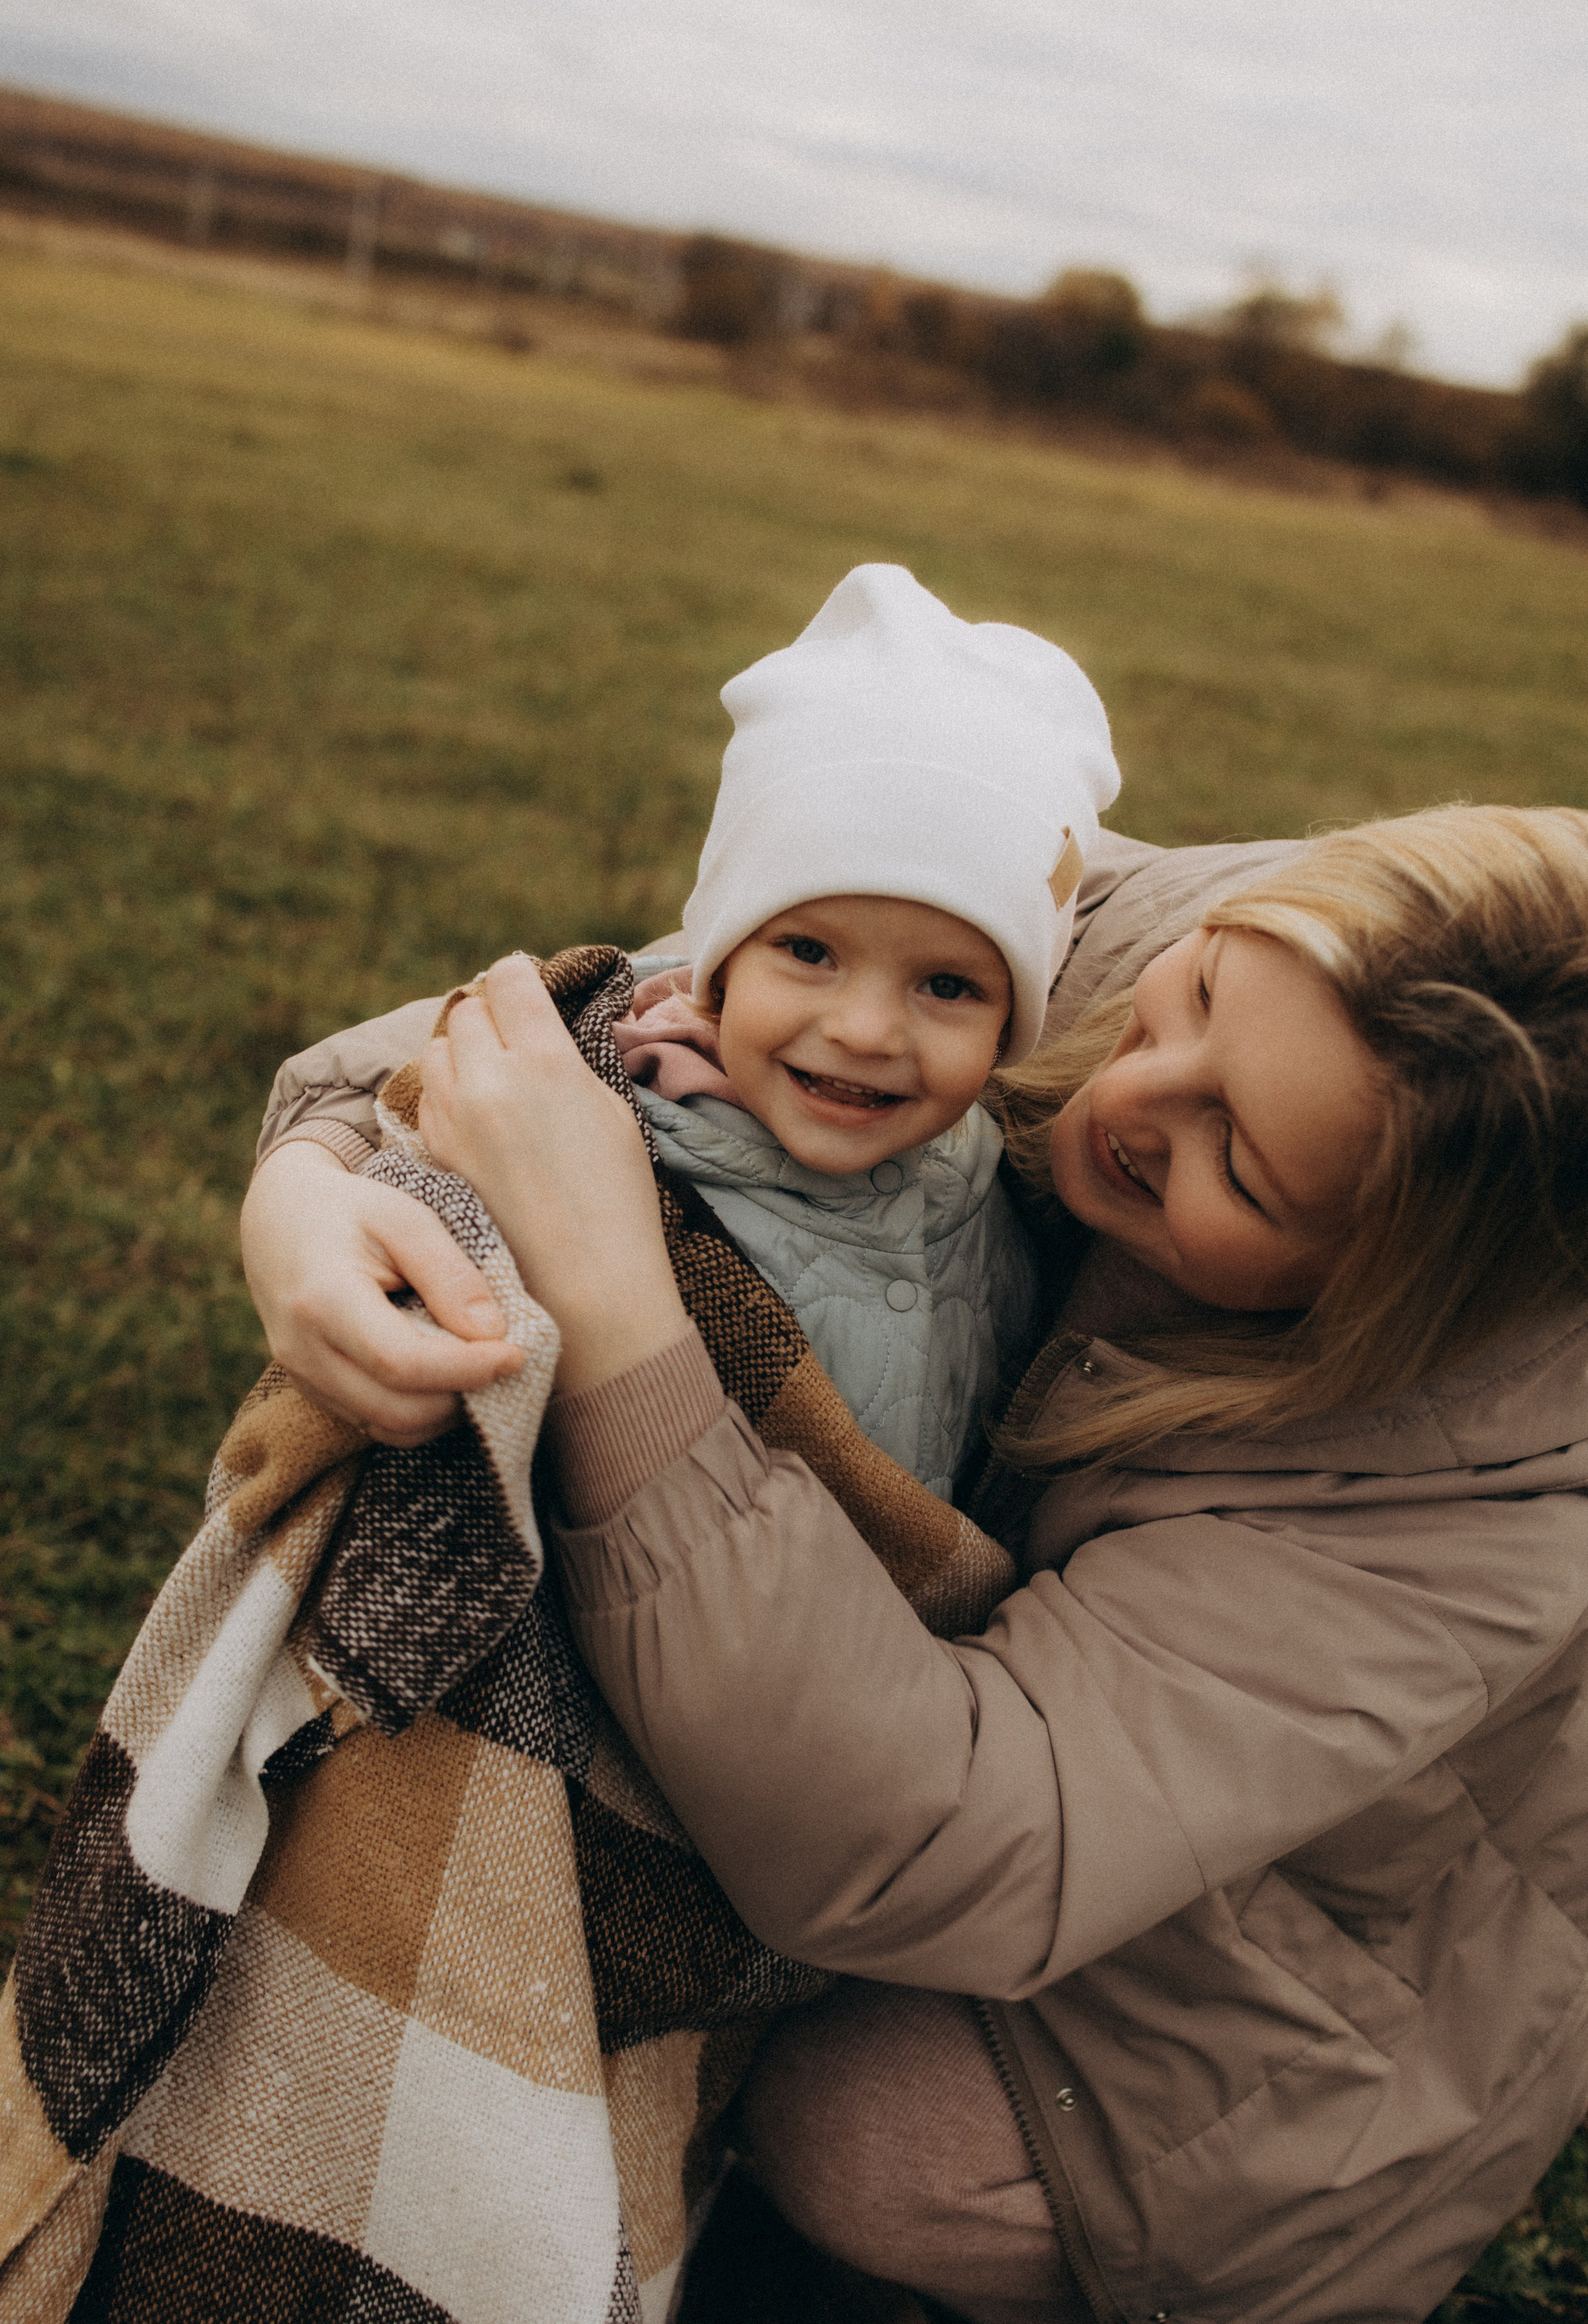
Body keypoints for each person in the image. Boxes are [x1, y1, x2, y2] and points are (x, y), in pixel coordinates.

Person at [244, 802, 1588, 2324]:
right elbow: (637, 1005)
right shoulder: (1195, 931)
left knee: (865, 2134)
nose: (1129, 1094)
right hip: (1033, 1673)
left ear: (1397, 1289)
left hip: (1275, 1996)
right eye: (1203, 997)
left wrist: (613, 1297)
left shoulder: (1489, 1497)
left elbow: (931, 1845)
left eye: (1241, 1163)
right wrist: (315, 1181)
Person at [249, 561, 1119, 1495]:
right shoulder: (596, 1132)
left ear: (1011, 1023)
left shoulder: (993, 1176)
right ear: (720, 964)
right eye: (810, 952)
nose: (866, 1031)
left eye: (947, 985)